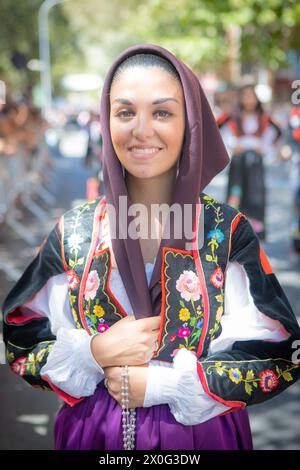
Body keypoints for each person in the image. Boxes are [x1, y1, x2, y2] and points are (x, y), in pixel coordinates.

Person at [2, 44, 300, 451]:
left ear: (189, 123)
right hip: (93, 435)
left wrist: (168, 385)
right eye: (125, 112)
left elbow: (283, 352)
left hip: (204, 436)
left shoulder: (227, 231)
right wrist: (92, 353)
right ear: (107, 123)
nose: (142, 130)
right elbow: (20, 334)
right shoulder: (73, 231)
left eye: (162, 112)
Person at [218, 84, 282, 241]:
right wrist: (232, 146)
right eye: (245, 96)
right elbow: (219, 132)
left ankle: (256, 231)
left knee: (256, 195)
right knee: (235, 193)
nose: (248, 99)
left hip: (255, 163)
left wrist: (265, 148)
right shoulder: (232, 117)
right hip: (238, 162)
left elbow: (277, 134)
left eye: (251, 96)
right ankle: (233, 231)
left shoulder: (264, 118)